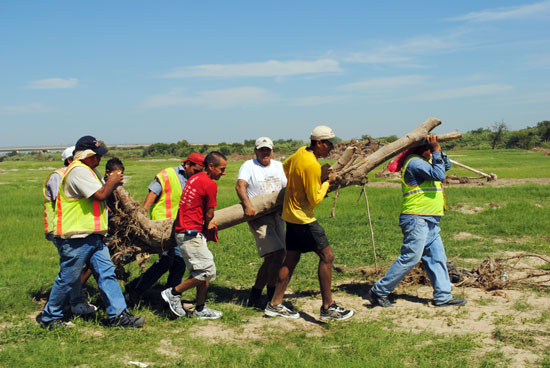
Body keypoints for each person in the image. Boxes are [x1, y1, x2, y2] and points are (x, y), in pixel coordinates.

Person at [39, 136, 145, 329]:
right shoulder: (78, 171)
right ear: (86, 155)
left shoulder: (89, 171)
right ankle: (50, 317)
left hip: (93, 235)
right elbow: (100, 195)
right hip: (76, 236)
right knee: (69, 278)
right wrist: (112, 180)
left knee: (107, 274)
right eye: (97, 155)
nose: (100, 159)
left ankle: (119, 315)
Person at [265, 126, 355, 321]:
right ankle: (328, 307)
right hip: (304, 218)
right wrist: (327, 181)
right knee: (327, 256)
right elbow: (314, 198)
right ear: (319, 143)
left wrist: (298, 183)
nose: (331, 147)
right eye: (328, 143)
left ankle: (275, 303)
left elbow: (286, 166)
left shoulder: (300, 153)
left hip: (291, 215)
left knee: (291, 259)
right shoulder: (312, 165)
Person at [369, 134, 467, 308]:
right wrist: (436, 150)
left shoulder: (424, 162)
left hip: (429, 219)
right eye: (432, 150)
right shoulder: (414, 162)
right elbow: (439, 175)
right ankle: (379, 291)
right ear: (425, 150)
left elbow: (446, 166)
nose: (433, 154)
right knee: (411, 257)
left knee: (437, 258)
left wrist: (439, 151)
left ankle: (443, 297)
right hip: (416, 218)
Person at [125, 153, 205, 301]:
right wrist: (142, 216)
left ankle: (146, 290)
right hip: (162, 226)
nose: (198, 173)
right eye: (196, 170)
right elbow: (152, 193)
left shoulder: (196, 179)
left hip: (181, 226)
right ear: (187, 164)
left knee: (173, 261)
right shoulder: (168, 174)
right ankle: (167, 295)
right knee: (173, 260)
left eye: (201, 171)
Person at [160, 151, 227, 320]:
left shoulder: (194, 179)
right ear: (211, 166)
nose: (224, 173)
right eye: (221, 169)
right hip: (190, 233)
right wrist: (208, 224)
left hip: (184, 230)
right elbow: (210, 214)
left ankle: (200, 308)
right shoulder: (210, 184)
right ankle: (173, 293)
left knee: (201, 270)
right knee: (208, 271)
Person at [42, 145, 96, 316]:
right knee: (71, 270)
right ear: (70, 160)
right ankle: (67, 305)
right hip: (60, 228)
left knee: (74, 268)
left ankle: (74, 301)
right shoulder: (60, 176)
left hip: (72, 227)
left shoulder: (77, 174)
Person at [235, 137, 287, 309]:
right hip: (258, 216)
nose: (265, 152)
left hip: (277, 215)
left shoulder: (279, 166)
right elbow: (240, 186)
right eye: (261, 149)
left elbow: (286, 187)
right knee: (277, 253)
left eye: (268, 149)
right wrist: (248, 206)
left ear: (272, 151)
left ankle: (255, 295)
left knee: (275, 257)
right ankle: (271, 297)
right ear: (256, 151)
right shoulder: (249, 166)